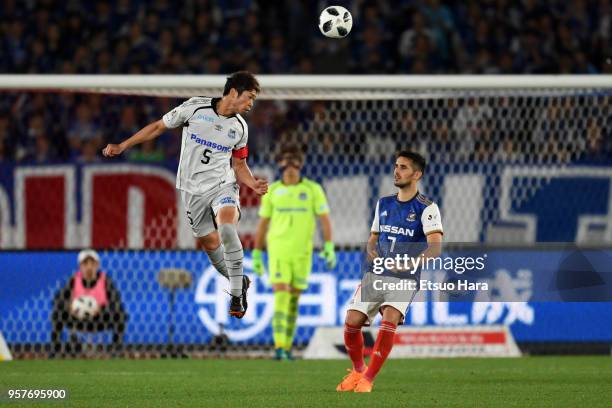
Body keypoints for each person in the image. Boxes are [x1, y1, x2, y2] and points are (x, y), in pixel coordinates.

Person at [103, 71, 267, 318]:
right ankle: (239, 280)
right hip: (191, 190)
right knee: (210, 244)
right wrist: (123, 145)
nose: (251, 104)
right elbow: (158, 127)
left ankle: (236, 296)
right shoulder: (194, 108)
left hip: (222, 186)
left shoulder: (240, 128)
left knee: (227, 229)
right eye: (249, 97)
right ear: (234, 92)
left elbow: (239, 165)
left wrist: (252, 184)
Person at [336, 151, 443, 392]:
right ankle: (358, 371)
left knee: (389, 319)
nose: (397, 171)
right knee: (352, 321)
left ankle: (368, 380)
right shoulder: (383, 203)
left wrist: (409, 264)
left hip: (404, 278)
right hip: (377, 274)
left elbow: (435, 248)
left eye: (403, 167)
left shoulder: (427, 208)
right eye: (396, 166)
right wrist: (371, 248)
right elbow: (373, 237)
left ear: (417, 174)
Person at [252, 145, 336, 360]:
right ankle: (279, 347)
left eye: (294, 161)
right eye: (285, 161)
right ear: (279, 165)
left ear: (300, 164)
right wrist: (257, 253)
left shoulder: (312, 189)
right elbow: (263, 223)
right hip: (279, 249)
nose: (289, 166)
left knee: (293, 300)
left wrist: (328, 246)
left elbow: (324, 219)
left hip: (302, 252)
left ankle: (287, 347)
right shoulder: (272, 191)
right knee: (281, 294)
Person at [50, 249, 126, 356]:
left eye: (92, 263)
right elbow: (57, 300)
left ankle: (116, 351)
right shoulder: (73, 280)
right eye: (85, 263)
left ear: (97, 265)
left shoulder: (105, 281)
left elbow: (116, 302)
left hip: (99, 319)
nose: (89, 267)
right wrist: (69, 307)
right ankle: (55, 350)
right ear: (80, 266)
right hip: (77, 319)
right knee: (57, 313)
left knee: (121, 315)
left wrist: (101, 309)